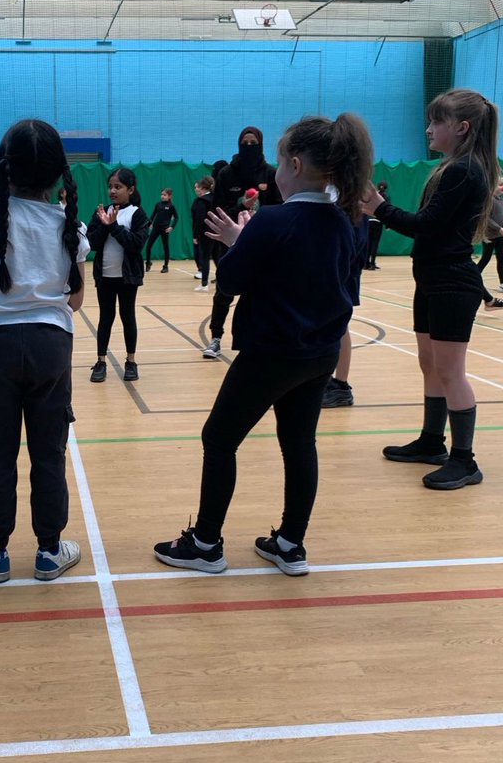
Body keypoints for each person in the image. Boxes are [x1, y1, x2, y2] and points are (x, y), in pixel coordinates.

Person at [154, 112, 374, 577]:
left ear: (294, 164)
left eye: (277, 161)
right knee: (299, 444)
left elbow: (231, 281)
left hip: (270, 354)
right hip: (320, 354)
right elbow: (339, 286)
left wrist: (240, 241)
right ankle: (291, 543)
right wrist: (247, 239)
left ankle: (207, 543)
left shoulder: (274, 221)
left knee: (219, 438)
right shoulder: (349, 221)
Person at [0, 118, 89, 583]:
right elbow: (74, 300)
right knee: (49, 451)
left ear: (4, 167)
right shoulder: (70, 225)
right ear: (58, 173)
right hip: (51, 346)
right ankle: (50, 551)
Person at [362, 88, 499, 490]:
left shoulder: (465, 170)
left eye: (435, 122)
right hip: (432, 279)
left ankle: (465, 460)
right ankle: (431, 441)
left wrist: (379, 208)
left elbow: (425, 224)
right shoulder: (454, 167)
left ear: (461, 128)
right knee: (430, 363)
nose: (428, 129)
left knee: (450, 370)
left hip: (451, 282)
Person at [202, 127, 282, 359]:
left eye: (253, 142)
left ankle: (262, 339)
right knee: (224, 291)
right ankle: (216, 337)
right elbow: (217, 210)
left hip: (264, 243)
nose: (249, 146)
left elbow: (279, 207)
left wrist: (260, 216)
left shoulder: (270, 174)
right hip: (231, 242)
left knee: (264, 292)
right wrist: (242, 207)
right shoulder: (227, 174)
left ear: (261, 144)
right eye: (245, 142)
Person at [86, 166, 149, 383]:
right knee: (105, 318)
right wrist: (105, 225)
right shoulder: (102, 212)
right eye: (110, 187)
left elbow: (136, 245)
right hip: (105, 277)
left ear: (130, 189)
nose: (113, 191)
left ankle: (131, 361)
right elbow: (91, 243)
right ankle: (101, 361)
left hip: (127, 278)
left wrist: (114, 227)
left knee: (127, 316)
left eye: (118, 187)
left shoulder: (137, 214)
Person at [321, 208, 370, 408]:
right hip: (330, 271)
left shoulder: (353, 201)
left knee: (340, 324)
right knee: (326, 324)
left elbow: (355, 243)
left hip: (342, 273)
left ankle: (341, 385)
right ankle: (324, 379)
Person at [477, 173, 503, 294]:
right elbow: (486, 218)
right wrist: (498, 228)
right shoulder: (488, 200)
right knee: (486, 258)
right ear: (493, 185)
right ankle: (474, 277)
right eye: (500, 184)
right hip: (490, 235)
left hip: (501, 235)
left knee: (501, 258)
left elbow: (501, 217)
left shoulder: (502, 201)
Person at [191, 176, 216, 292]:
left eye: (197, 187)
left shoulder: (201, 201)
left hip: (206, 233)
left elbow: (199, 220)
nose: (195, 189)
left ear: (201, 188)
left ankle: (204, 284)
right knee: (218, 258)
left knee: (204, 258)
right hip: (218, 232)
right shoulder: (215, 199)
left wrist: (196, 235)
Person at [145, 188, 179, 273]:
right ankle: (148, 263)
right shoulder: (158, 205)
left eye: (164, 195)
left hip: (165, 230)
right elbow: (153, 215)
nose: (162, 196)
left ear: (169, 196)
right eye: (162, 194)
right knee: (148, 246)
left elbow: (176, 217)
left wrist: (172, 227)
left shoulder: (171, 206)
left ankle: (165, 266)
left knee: (166, 248)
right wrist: (150, 224)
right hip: (155, 228)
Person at [364, 180, 388, 268]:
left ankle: (366, 263)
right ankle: (372, 263)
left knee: (368, 242)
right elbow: (386, 211)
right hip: (378, 221)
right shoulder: (385, 197)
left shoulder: (374, 195)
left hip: (369, 220)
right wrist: (387, 224)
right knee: (375, 243)